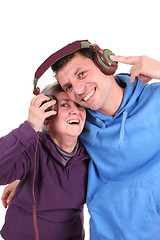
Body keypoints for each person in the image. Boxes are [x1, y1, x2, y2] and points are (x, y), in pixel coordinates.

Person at [50, 44, 160, 240]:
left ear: (106, 64)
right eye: (68, 87)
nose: (78, 89)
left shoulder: (156, 98)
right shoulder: (80, 123)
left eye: (81, 74)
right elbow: (50, 144)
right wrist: (27, 172)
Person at [0, 83, 90, 240]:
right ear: (47, 118)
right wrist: (30, 126)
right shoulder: (32, 147)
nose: (75, 110)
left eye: (78, 105)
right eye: (64, 105)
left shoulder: (93, 152)